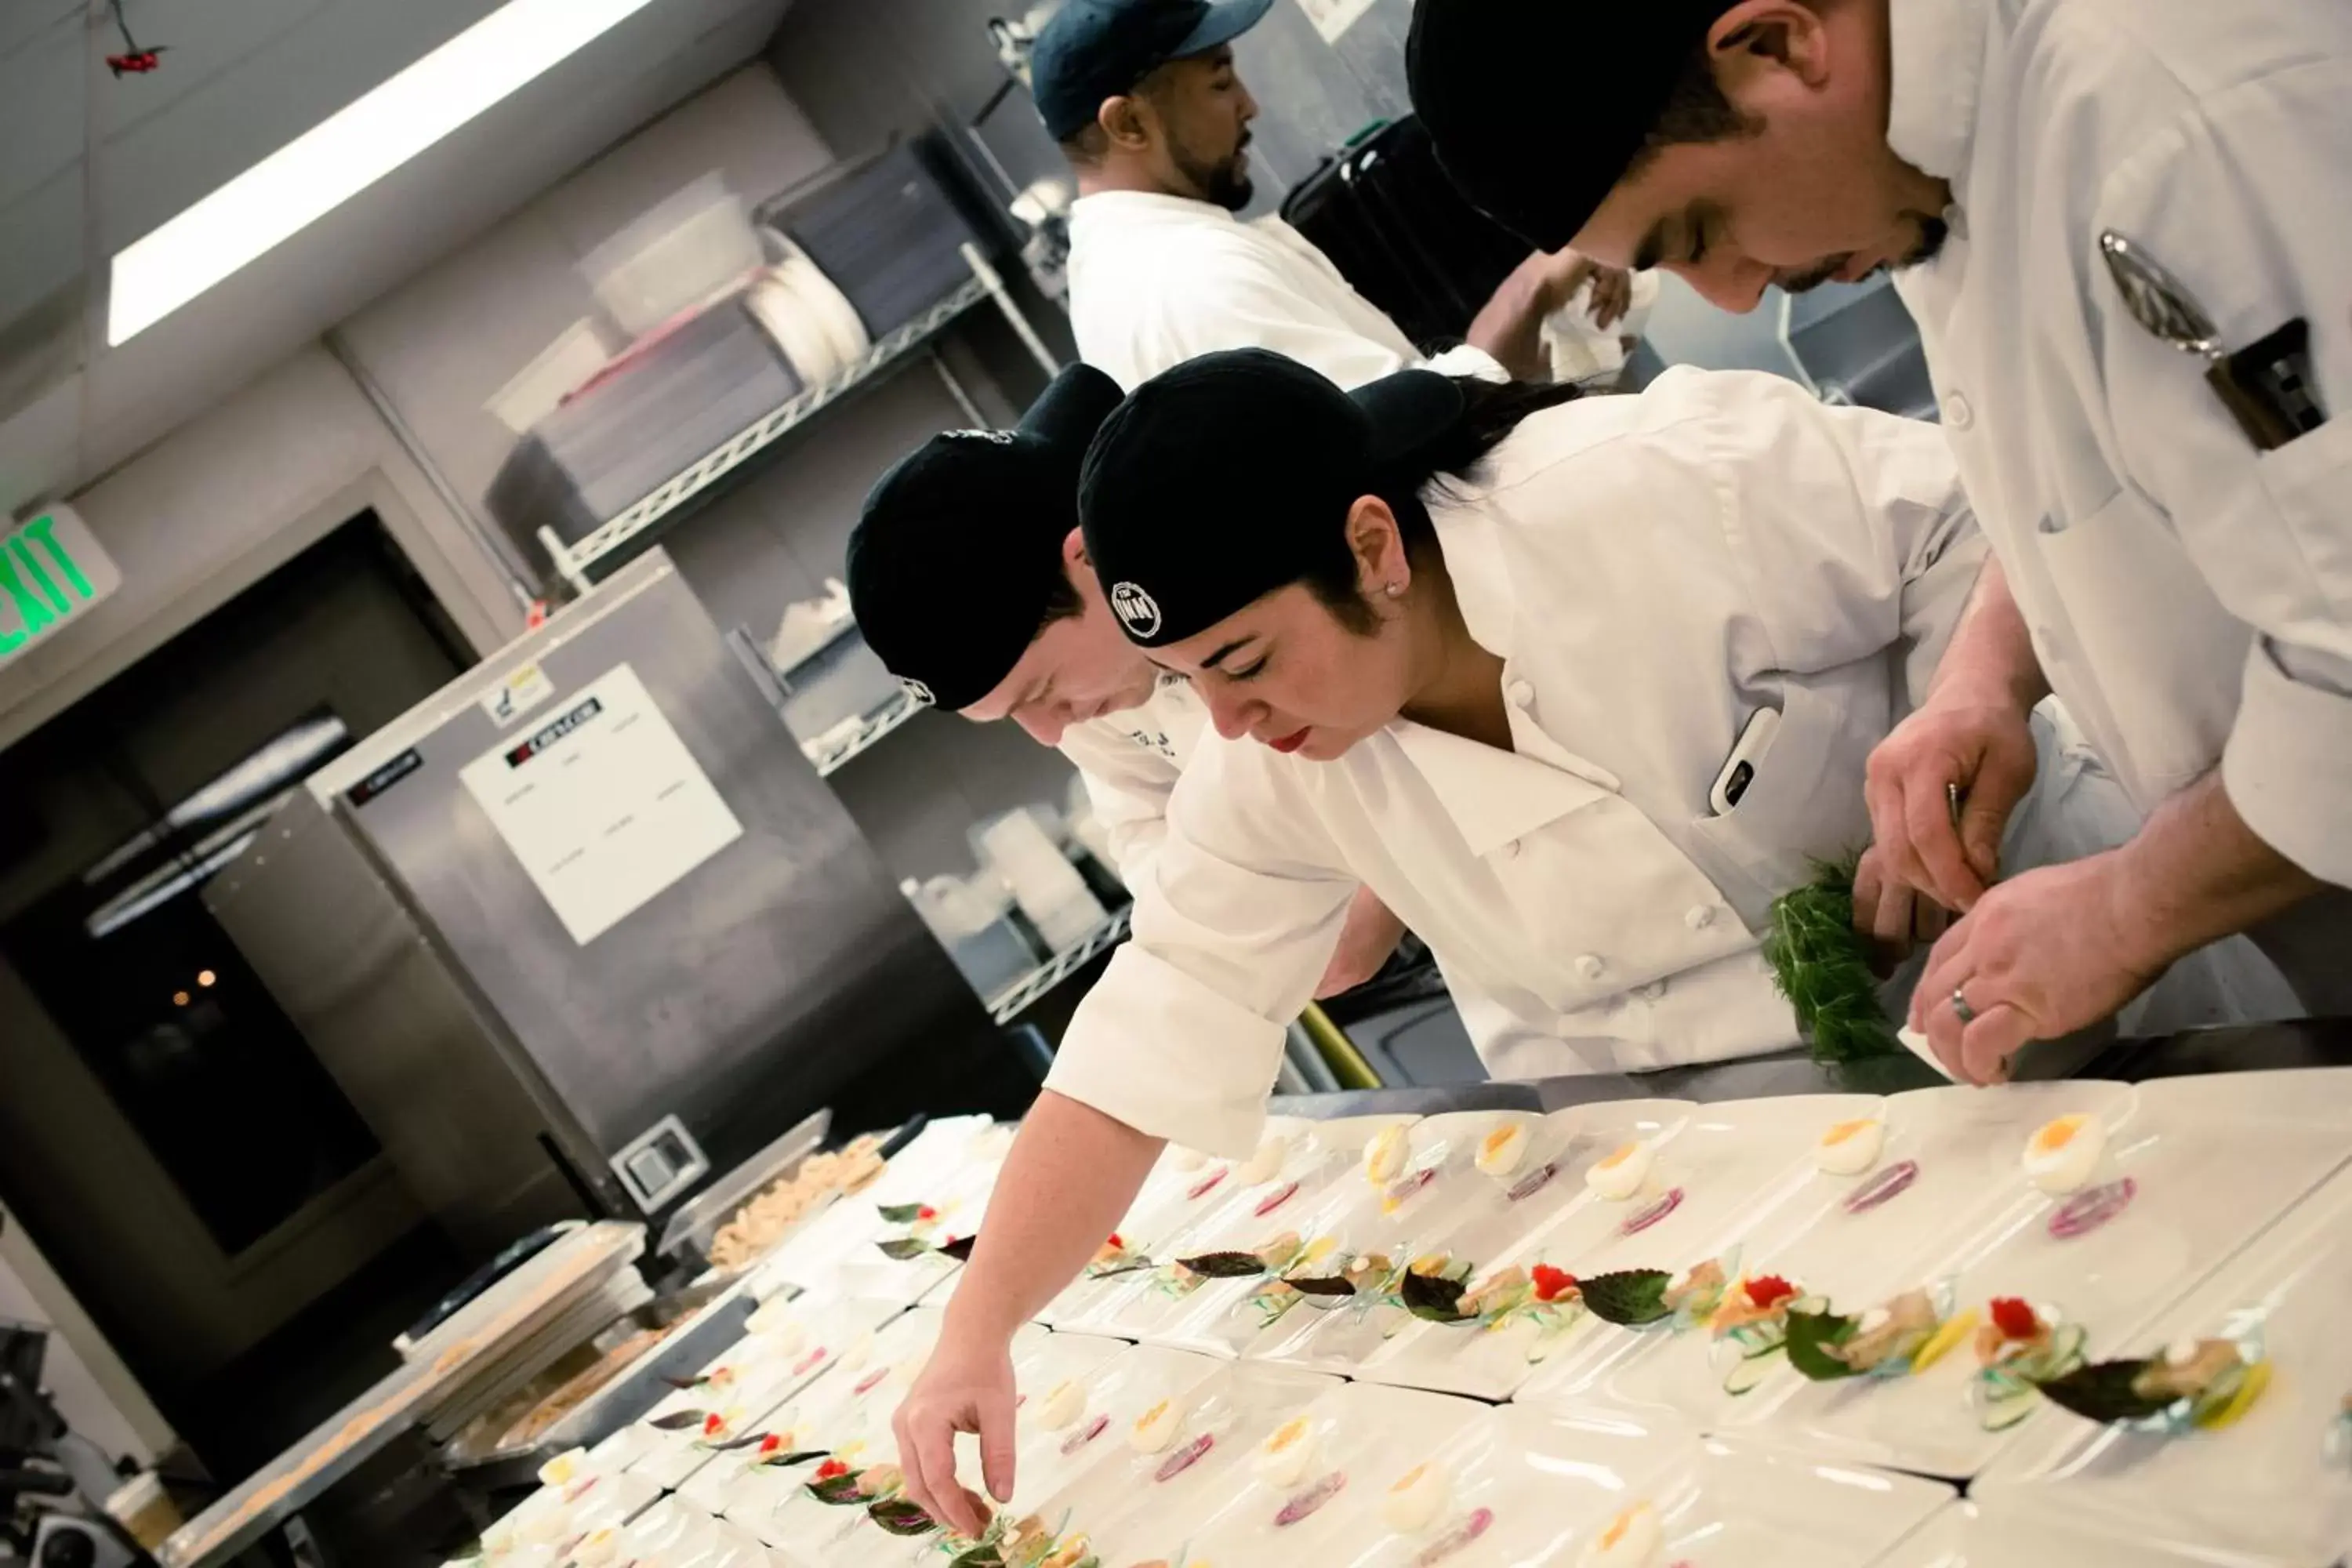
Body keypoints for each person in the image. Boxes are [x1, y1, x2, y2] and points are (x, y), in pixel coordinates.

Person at [891, 349, 2274, 1533]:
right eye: (1195, 690)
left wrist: (1970, 695)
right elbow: (1152, 1028)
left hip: (2084, 1019)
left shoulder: (1646, 483)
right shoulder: (1270, 769)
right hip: (1789, 1185)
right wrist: (975, 1334)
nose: (1235, 730)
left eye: (1246, 666)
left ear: (1371, 550)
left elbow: (1986, 520)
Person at [1402, 0, 2352, 1083]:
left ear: (1778, 44)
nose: (1732, 290)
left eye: (1703, 230)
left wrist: (2128, 910)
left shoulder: (2172, 121)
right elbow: (2079, 476)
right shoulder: (1922, 177)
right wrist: (1982, 681)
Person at [848, 362, 1408, 996]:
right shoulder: (1091, 699)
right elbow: (1144, 829)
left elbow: (1403, 680)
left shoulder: (1249, 531)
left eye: (1040, 690)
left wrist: (1379, 889)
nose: (1050, 732)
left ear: (1087, 560)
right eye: (1012, 716)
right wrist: (1237, 940)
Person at [1031, 0, 1636, 390]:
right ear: (1129, 125)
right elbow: (1418, 445)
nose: (1249, 104)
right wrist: (1534, 290)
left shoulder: (1117, 273)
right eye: (1220, 81)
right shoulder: (1191, 277)